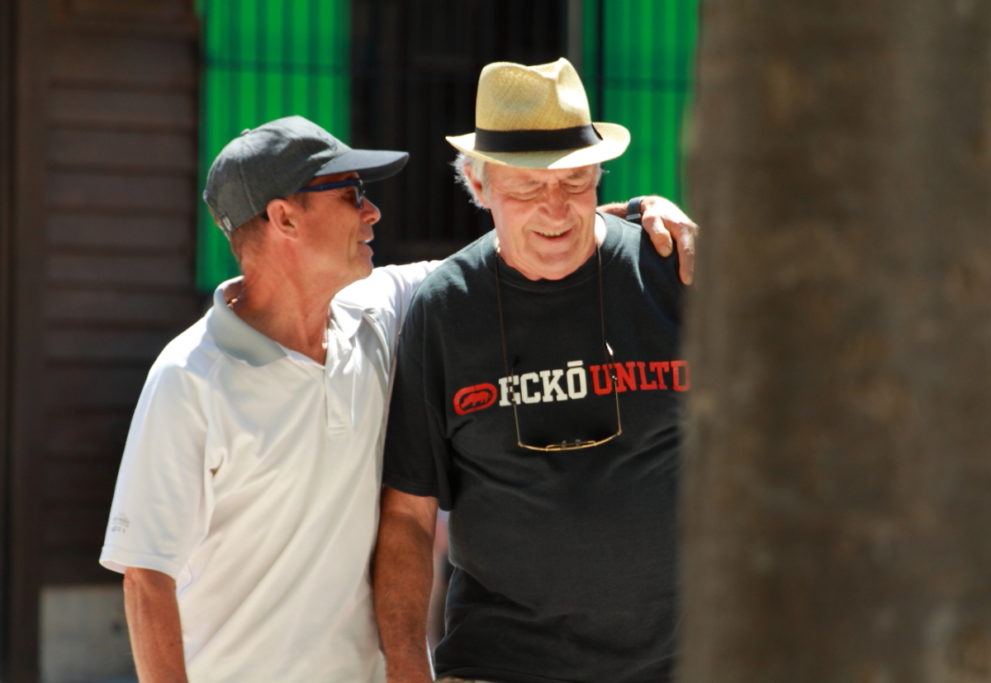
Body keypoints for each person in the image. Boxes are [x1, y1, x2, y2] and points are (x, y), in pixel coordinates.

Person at [100, 113, 695, 681]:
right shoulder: (190, 375)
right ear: (284, 218)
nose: (373, 212)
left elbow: (530, 242)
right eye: (352, 195)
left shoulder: (384, 311)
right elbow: (146, 579)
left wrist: (638, 217)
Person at [374, 58, 689, 682]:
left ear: (600, 176)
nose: (555, 210)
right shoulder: (443, 311)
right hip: (501, 662)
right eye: (527, 188)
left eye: (575, 182)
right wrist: (408, 668)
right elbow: (409, 515)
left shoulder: (671, 273)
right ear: (479, 185)